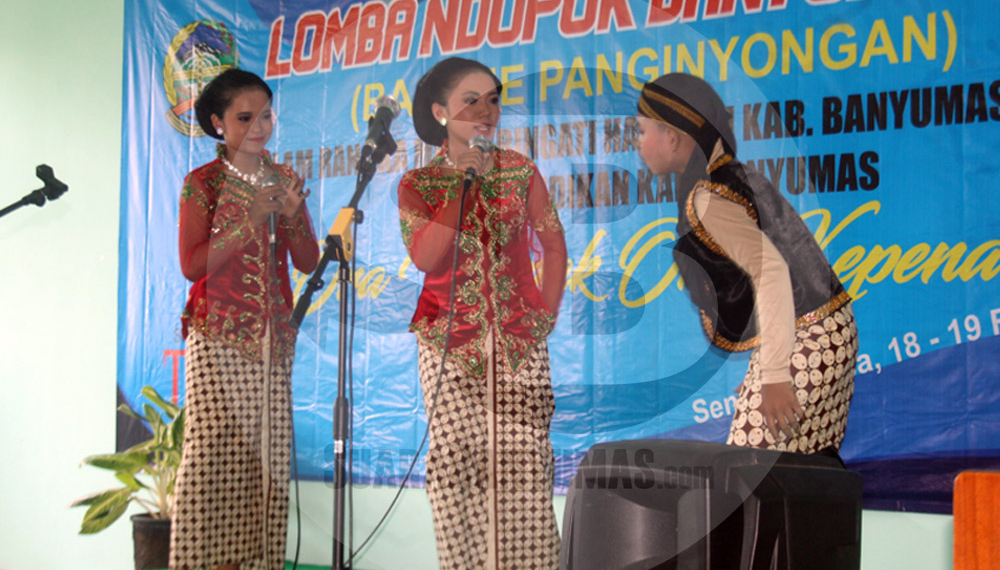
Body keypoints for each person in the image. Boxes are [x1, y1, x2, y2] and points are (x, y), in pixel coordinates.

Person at [397, 57, 568, 569]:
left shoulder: (520, 170)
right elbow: (426, 257)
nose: (485, 110)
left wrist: (544, 317)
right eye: (470, 100)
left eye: (492, 99)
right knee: (456, 472)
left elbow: (554, 248)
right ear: (440, 112)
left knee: (524, 468)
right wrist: (460, 188)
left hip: (518, 345)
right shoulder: (418, 184)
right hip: (448, 346)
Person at [636, 73, 858, 456]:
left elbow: (770, 271)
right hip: (826, 333)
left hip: (811, 335)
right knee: (802, 475)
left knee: (749, 476)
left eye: (640, 132)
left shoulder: (708, 196)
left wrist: (774, 376)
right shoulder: (729, 177)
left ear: (672, 136)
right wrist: (768, 368)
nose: (637, 145)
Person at [171, 68, 319, 570]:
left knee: (266, 468)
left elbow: (306, 260)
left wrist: (294, 214)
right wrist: (248, 220)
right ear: (218, 123)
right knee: (213, 463)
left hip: (273, 342)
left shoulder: (283, 178)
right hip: (217, 341)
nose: (260, 125)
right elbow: (192, 265)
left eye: (267, 114)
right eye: (245, 116)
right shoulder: (203, 184)